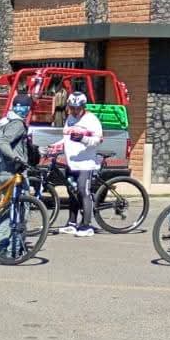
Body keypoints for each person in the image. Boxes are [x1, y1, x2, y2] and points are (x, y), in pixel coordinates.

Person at [54, 91, 104, 237]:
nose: (75, 111)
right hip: (72, 163)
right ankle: (72, 223)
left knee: (83, 191)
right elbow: (66, 138)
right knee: (72, 192)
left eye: (77, 108)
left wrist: (82, 139)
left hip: (86, 163)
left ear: (83, 106)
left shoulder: (91, 120)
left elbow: (98, 140)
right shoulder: (69, 118)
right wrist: (54, 147)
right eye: (72, 108)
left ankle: (87, 226)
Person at [0, 92, 35, 177]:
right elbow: (3, 141)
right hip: (14, 170)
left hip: (7, 167)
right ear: (27, 109)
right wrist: (15, 158)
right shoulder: (18, 124)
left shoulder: (7, 120)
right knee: (23, 189)